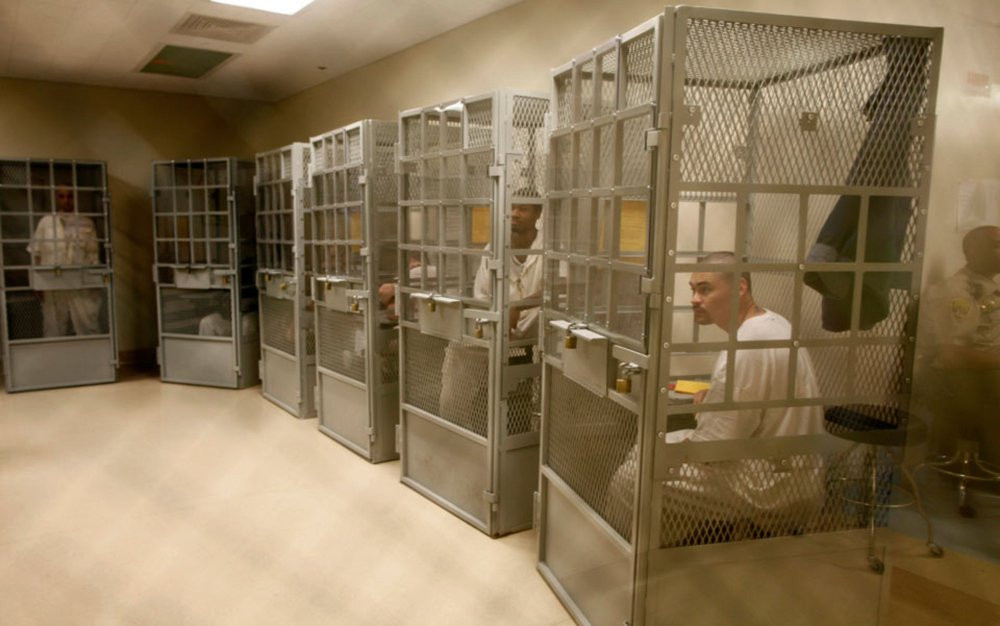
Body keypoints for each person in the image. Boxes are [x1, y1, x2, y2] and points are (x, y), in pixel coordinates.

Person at [607, 252, 826, 545]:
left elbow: (716, 446)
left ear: (740, 288)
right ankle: (675, 544)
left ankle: (625, 555)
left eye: (705, 289)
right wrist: (712, 399)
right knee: (648, 449)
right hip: (793, 471)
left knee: (634, 474)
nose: (695, 299)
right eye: (693, 289)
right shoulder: (772, 323)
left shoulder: (746, 344)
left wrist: (699, 422)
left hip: (768, 484)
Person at [438, 203, 543, 435]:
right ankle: (453, 426)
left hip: (538, 332)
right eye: (511, 207)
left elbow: (559, 288)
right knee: (459, 349)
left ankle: (531, 434)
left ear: (538, 213)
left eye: (523, 208)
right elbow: (483, 295)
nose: (515, 213)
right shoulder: (494, 248)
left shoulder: (549, 247)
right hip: (499, 328)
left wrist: (520, 306)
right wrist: (500, 318)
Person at [922, 225, 1000, 465]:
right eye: (997, 246)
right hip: (963, 380)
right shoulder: (957, 292)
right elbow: (951, 357)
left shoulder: (987, 286)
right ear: (972, 251)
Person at [26, 186, 102, 337]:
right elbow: (36, 252)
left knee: (86, 322)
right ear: (56, 198)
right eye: (61, 196)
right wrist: (37, 282)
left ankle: (90, 355)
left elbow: (93, 255)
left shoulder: (86, 223)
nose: (66, 200)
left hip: (79, 280)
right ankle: (54, 357)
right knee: (53, 323)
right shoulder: (46, 222)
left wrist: (95, 282)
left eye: (70, 196)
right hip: (52, 281)